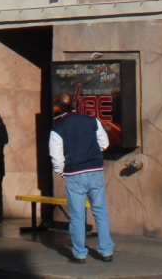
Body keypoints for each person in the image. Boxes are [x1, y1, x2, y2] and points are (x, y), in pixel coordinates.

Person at [50, 94, 113, 264]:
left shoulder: (58, 128)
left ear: (58, 109)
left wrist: (61, 171)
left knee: (77, 216)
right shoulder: (92, 121)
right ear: (75, 105)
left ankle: (80, 254)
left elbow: (56, 156)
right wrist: (93, 154)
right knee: (100, 211)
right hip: (95, 170)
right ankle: (106, 250)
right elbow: (104, 143)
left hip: (74, 174)